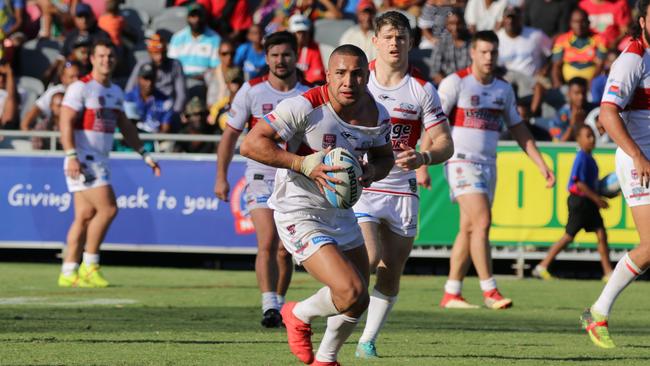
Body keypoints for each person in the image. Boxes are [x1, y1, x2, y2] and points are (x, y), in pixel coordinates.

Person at [240, 44, 394, 366]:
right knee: (350, 290)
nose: (348, 81)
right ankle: (297, 313)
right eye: (340, 73)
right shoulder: (305, 106)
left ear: (368, 76)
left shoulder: (377, 114)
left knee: (357, 299)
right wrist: (303, 164)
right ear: (327, 75)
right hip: (298, 209)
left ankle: (326, 359)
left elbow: (384, 158)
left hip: (340, 209)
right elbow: (251, 143)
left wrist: (371, 171)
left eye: (356, 74)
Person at [352, 11, 454, 359]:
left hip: (401, 190)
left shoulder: (422, 89)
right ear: (375, 41)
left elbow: (444, 142)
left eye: (401, 37)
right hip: (363, 185)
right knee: (368, 257)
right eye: (388, 37)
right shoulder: (357, 79)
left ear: (411, 41)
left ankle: (366, 340)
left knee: (390, 272)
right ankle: (315, 312)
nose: (394, 43)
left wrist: (424, 158)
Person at [433, 31, 555, 309]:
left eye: (493, 52)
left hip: (488, 164)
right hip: (460, 160)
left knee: (468, 227)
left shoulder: (503, 89)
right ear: (473, 53)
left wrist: (540, 164)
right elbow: (434, 122)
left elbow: (518, 128)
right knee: (483, 222)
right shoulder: (456, 83)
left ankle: (452, 291)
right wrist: (423, 163)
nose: (489, 57)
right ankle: (490, 289)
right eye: (484, 52)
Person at [214, 31, 310, 328]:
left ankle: (279, 304)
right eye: (275, 55)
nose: (281, 61)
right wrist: (221, 177)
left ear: (296, 56)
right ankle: (268, 303)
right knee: (267, 240)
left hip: (294, 176)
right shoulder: (252, 90)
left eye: (286, 55)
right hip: (260, 174)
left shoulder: (308, 93)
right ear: (266, 58)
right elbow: (230, 136)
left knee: (285, 247)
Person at [58, 39, 161, 288]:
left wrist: (144, 154)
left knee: (84, 216)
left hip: (98, 161)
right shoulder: (80, 88)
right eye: (101, 56)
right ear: (92, 59)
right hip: (84, 161)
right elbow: (65, 121)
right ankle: (90, 265)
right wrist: (71, 155)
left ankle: (68, 271)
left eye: (110, 56)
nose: (106, 60)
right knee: (108, 209)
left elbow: (125, 126)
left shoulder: (114, 91)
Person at [581, 0, 650, 349]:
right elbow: (608, 114)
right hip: (639, 160)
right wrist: (638, 156)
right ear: (642, 20)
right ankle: (598, 311)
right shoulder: (633, 58)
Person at [534, 125, 613, 280]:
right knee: (569, 236)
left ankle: (608, 272)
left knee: (601, 234)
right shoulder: (582, 157)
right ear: (578, 139)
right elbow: (579, 184)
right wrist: (597, 199)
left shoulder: (590, 158)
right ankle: (542, 266)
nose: (592, 139)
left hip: (588, 201)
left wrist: (603, 193)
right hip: (580, 202)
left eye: (593, 136)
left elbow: (590, 184)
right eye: (588, 136)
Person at [127, 32, 187, 118]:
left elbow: (181, 94)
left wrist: (173, 115)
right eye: (156, 53)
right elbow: (130, 89)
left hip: (167, 108)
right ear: (149, 52)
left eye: (162, 53)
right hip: (144, 108)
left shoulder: (175, 65)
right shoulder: (142, 64)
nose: (159, 57)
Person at [497, 7, 551, 100]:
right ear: (503, 19)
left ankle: (533, 113)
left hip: (532, 79)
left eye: (514, 18)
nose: (510, 21)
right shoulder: (496, 38)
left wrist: (545, 69)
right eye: (508, 17)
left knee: (542, 88)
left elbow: (551, 53)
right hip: (507, 79)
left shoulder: (536, 35)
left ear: (520, 19)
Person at [551, 8, 607, 88]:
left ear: (588, 22)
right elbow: (556, 66)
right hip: (567, 86)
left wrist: (591, 85)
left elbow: (600, 65)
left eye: (582, 21)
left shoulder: (600, 39)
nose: (579, 25)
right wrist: (558, 85)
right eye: (575, 22)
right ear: (570, 23)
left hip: (591, 86)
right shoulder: (561, 40)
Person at [21, 61, 81, 132]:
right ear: (63, 78)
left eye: (78, 76)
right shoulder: (54, 91)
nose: (76, 80)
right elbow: (35, 110)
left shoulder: (85, 90)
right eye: (72, 77)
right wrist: (25, 128)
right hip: (56, 134)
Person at [168, 3, 221, 79]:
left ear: (205, 17)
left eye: (200, 16)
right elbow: (172, 65)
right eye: (193, 16)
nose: (197, 19)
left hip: (205, 81)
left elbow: (215, 67)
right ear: (187, 18)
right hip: (181, 79)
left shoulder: (215, 38)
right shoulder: (177, 37)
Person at [429, 8, 472, 85]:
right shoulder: (442, 42)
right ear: (446, 25)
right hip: (447, 85)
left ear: (464, 24)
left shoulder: (473, 42)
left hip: (469, 85)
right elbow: (434, 72)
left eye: (459, 23)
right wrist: (448, 86)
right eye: (451, 23)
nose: (455, 28)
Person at [549, 77, 595, 142]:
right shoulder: (559, 115)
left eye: (583, 93)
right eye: (577, 93)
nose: (581, 97)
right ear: (569, 94)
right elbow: (560, 143)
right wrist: (573, 123)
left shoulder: (594, 111)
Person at [288, 13, 326, 85]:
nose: (301, 36)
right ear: (292, 34)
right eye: (298, 33)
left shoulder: (314, 49)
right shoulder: (285, 49)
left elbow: (317, 79)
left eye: (304, 33)